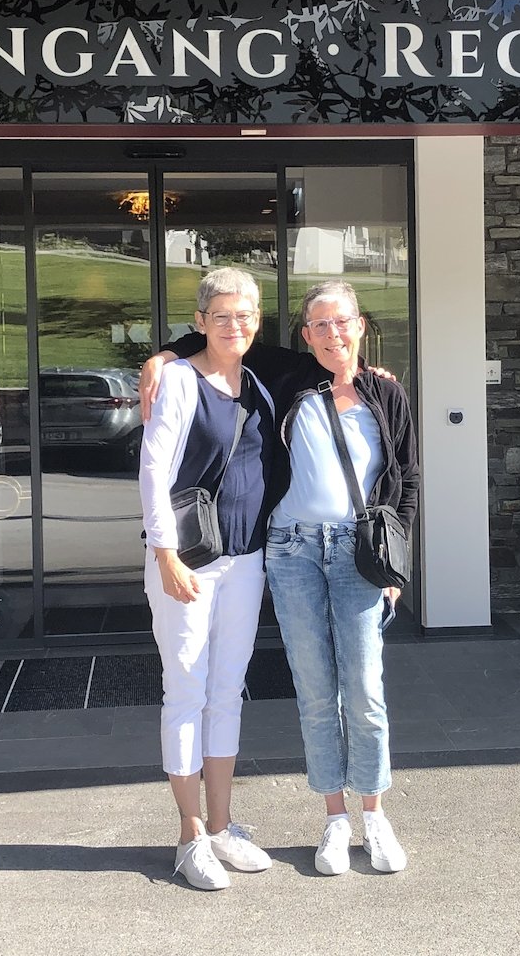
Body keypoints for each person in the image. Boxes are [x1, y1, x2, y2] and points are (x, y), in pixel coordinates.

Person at [143, 279, 420, 876]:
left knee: (365, 691)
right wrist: (162, 355)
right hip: (292, 550)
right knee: (315, 693)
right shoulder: (291, 375)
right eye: (319, 325)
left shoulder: (386, 392)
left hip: (355, 554)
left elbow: (407, 478)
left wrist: (396, 564)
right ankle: (333, 819)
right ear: (304, 335)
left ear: (361, 326)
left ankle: (374, 817)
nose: (332, 334)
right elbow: (223, 333)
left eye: (341, 322)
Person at [138, 267, 278, 891]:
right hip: (189, 561)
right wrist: (164, 553)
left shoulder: (257, 381)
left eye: (244, 315)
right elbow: (153, 470)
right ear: (199, 322)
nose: (233, 325)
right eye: (220, 316)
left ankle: (222, 827)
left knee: (227, 691)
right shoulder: (178, 380)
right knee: (186, 690)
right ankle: (190, 834)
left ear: (257, 321)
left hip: (246, 559)